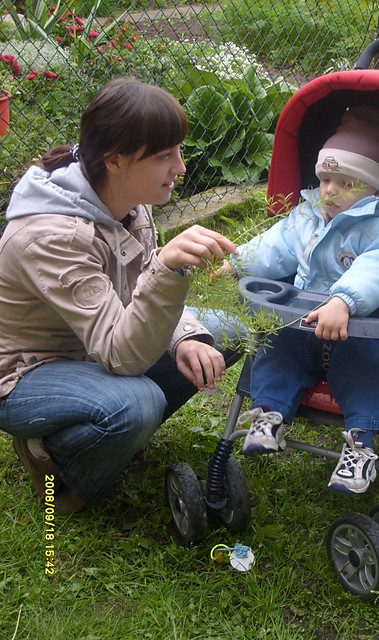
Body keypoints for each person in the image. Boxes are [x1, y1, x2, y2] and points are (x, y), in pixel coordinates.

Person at [0, 77, 244, 512]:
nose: (181, 167)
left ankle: (110, 434)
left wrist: (184, 335)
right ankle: (61, 465)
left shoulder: (129, 200)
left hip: (93, 344)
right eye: (165, 155)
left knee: (220, 333)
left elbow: (137, 293)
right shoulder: (51, 236)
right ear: (114, 160)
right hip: (27, 373)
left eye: (178, 150)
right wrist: (170, 269)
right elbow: (121, 352)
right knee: (138, 402)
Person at [218, 105, 379, 494]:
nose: (329, 190)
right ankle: (268, 413)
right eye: (325, 178)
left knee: (372, 368)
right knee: (275, 346)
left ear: (375, 187)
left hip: (363, 328)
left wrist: (344, 300)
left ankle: (360, 448)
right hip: (304, 319)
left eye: (345, 182)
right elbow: (275, 244)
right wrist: (237, 262)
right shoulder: (308, 214)